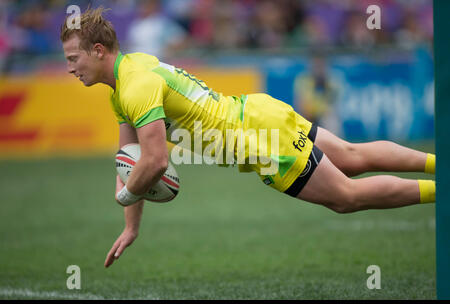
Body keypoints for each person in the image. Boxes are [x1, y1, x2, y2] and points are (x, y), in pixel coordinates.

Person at [60, 8, 436, 268]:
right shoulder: (128, 74)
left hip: (258, 141)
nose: (70, 67)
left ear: (98, 51)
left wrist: (125, 195)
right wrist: (131, 224)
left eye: (74, 58)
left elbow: (154, 162)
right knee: (352, 156)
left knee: (346, 198)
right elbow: (130, 156)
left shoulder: (134, 86)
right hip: (257, 111)